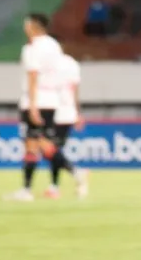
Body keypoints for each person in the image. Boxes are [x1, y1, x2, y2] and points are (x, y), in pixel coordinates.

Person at [5, 14, 65, 201]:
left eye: (26, 25)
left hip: (35, 100)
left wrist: (32, 106)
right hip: (52, 100)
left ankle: (27, 190)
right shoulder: (54, 46)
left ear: (33, 26)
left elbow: (33, 75)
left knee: (31, 145)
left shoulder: (31, 47)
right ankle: (71, 174)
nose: (25, 28)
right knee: (44, 143)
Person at [51, 52, 90, 199]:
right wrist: (77, 112)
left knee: (51, 149)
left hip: (54, 110)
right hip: (68, 112)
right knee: (54, 150)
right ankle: (54, 186)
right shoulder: (72, 63)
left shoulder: (49, 63)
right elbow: (75, 90)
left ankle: (73, 174)